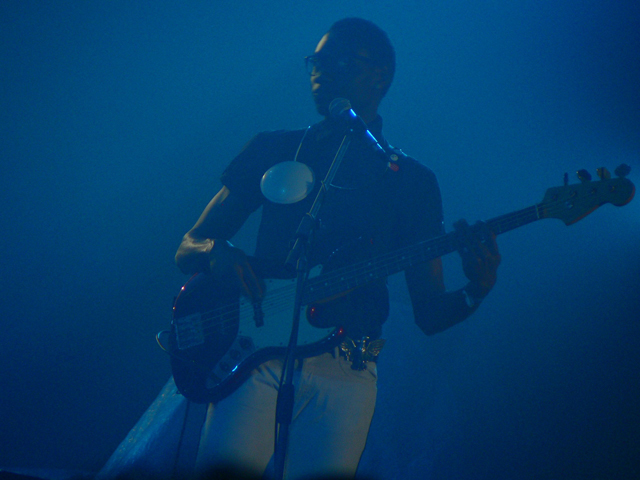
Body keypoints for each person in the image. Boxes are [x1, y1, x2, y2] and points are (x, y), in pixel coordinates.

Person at [175, 17, 501, 480]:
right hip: (256, 358)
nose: (320, 70)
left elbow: (430, 314)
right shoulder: (273, 148)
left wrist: (478, 288)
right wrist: (215, 251)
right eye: (316, 61)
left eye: (339, 61)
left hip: (350, 372)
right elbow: (188, 246)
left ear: (379, 76)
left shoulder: (412, 182)